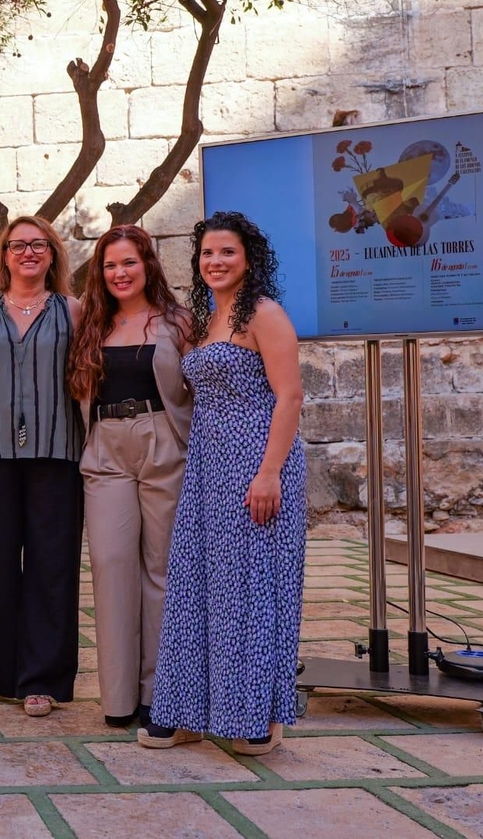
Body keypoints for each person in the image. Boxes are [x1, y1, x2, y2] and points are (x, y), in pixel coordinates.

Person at [141, 211, 306, 756]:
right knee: (195, 587)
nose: (216, 262)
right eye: (207, 254)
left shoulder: (264, 313)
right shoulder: (208, 319)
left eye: (227, 253)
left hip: (255, 465)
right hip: (208, 465)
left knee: (248, 591)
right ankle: (188, 711)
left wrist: (268, 472)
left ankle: (254, 716)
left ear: (249, 258)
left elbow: (290, 396)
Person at [68, 226, 194, 729]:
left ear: (148, 266)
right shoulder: (90, 323)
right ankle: (118, 699)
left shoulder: (178, 322)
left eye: (129, 263)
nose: (119, 273)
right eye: (110, 265)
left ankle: (158, 696)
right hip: (104, 445)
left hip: (162, 437)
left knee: (160, 570)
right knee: (110, 563)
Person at [0, 215, 83, 718]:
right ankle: (1, 671)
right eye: (18, 246)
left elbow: (90, 375)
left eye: (39, 245)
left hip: (57, 454)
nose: (28, 253)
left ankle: (42, 679)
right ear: (3, 255)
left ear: (53, 254)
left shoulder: (74, 311)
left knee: (52, 568)